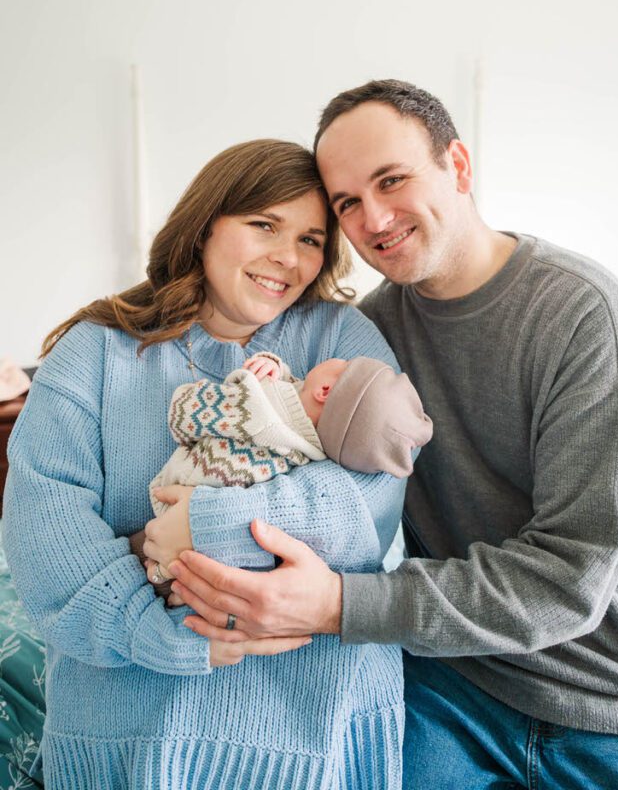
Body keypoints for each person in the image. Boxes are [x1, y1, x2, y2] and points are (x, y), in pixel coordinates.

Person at [166, 82, 618, 790]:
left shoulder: (580, 313)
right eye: (346, 203)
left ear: (459, 167)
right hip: (454, 684)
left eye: (391, 180)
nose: (373, 218)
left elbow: (570, 580)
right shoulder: (363, 337)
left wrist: (337, 605)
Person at [3, 138, 413, 790]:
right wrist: (169, 637)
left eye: (311, 239)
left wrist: (206, 524)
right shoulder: (94, 352)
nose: (288, 256)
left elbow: (373, 497)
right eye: (263, 225)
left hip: (316, 729)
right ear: (204, 226)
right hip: (132, 729)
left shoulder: (342, 340)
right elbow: (46, 533)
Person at [143, 351, 431, 589]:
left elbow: (183, 415)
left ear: (325, 390)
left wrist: (242, 386)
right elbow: (297, 394)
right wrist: (276, 368)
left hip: (176, 501)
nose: (338, 360)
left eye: (344, 365)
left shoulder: (258, 411)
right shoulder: (310, 454)